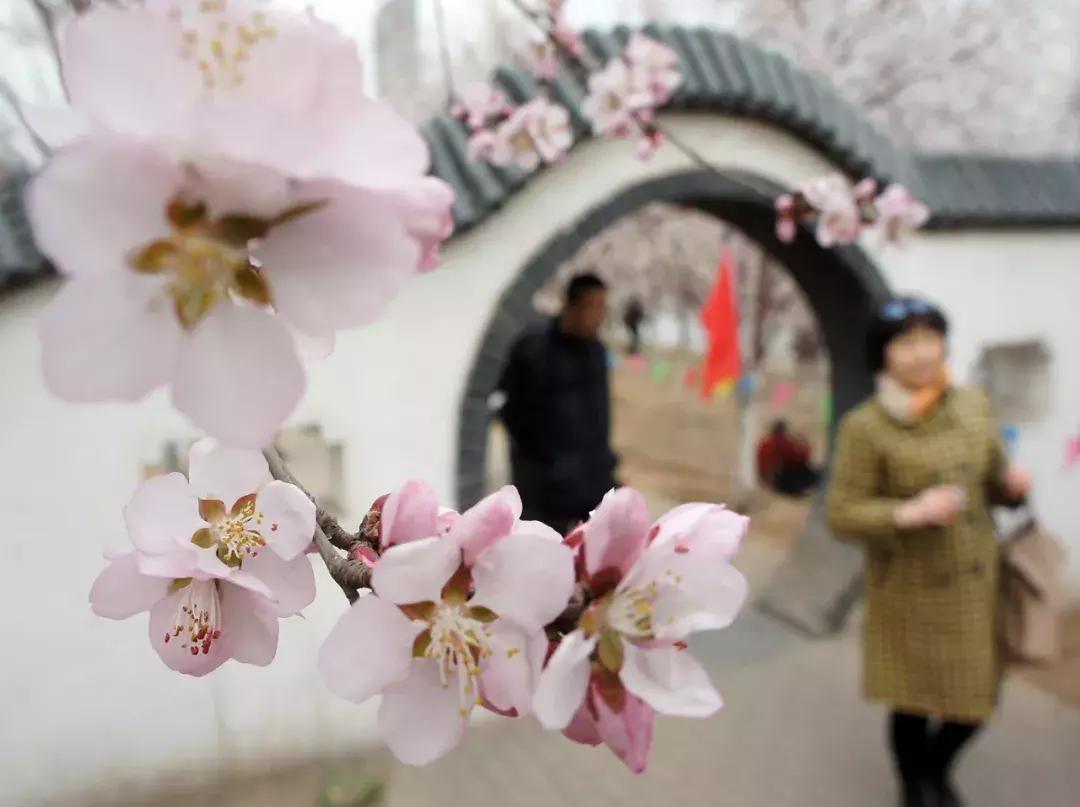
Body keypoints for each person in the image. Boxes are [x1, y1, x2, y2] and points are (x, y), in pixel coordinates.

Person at [826, 297, 1032, 807]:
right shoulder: (866, 427)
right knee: (913, 702)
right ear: (883, 357)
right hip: (911, 590)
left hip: (975, 586)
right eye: (906, 343)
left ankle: (938, 771)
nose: (922, 354)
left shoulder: (972, 404)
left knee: (974, 704)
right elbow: (842, 514)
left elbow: (996, 481)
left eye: (929, 339)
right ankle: (916, 787)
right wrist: (907, 512)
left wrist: (1012, 487)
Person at [497, 273, 618, 534]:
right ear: (570, 305)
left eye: (603, 308)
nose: (599, 316)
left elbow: (599, 421)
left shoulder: (596, 352)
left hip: (589, 488)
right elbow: (512, 411)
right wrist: (541, 466)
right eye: (592, 307)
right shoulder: (534, 348)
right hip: (542, 492)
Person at [756, 419, 821, 496]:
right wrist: (804, 442)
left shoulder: (765, 442)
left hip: (767, 482)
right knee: (809, 471)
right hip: (778, 483)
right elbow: (802, 457)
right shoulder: (778, 442)